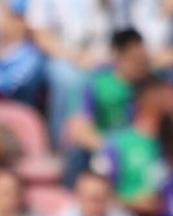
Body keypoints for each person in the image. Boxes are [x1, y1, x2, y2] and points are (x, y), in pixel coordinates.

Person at [25, 0, 111, 141]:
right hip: (62, 55)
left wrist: (100, 56)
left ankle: (111, 147)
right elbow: (40, 33)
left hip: (103, 55)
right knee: (69, 79)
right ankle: (64, 147)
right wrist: (75, 56)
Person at [61, 28, 149, 183]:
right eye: (133, 59)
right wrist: (112, 149)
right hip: (105, 150)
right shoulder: (95, 83)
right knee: (80, 154)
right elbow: (80, 129)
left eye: (143, 59)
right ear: (119, 56)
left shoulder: (150, 87)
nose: (140, 65)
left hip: (140, 152)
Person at [98, 75, 173, 216]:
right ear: (146, 99)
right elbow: (98, 190)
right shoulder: (117, 143)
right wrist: (132, 204)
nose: (172, 99)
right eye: (162, 94)